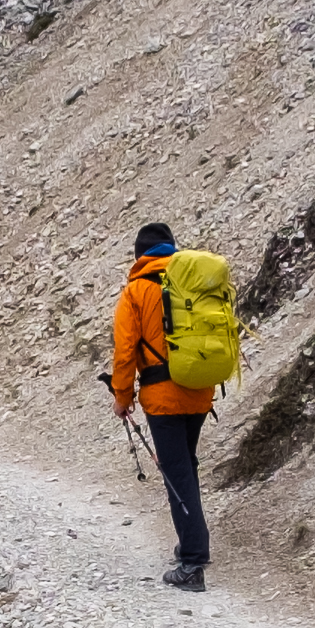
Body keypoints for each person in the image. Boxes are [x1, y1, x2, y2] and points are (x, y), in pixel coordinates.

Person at [106, 222, 223, 590]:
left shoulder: (136, 291)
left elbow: (125, 352)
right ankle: (192, 541)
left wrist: (122, 398)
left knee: (176, 472)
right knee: (185, 464)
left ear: (139, 256)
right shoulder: (191, 282)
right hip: (201, 388)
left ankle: (192, 563)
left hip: (162, 397)